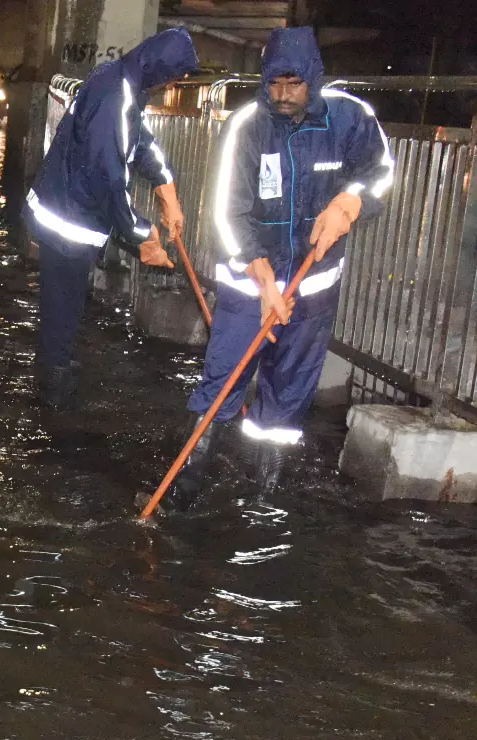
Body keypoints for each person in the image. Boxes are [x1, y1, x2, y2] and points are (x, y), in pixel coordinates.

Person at [163, 26, 394, 510]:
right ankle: (183, 497)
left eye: (294, 84)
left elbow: (380, 172)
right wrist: (263, 279)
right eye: (274, 84)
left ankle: (261, 497)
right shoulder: (248, 125)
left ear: (313, 80)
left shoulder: (351, 118)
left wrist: (350, 202)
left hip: (313, 290)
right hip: (250, 286)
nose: (283, 95)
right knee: (223, 381)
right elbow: (229, 213)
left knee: (288, 392)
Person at [23, 28, 199, 410]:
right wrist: (141, 236)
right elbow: (109, 177)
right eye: (171, 77)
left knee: (63, 309)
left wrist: (165, 189)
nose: (170, 84)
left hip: (68, 211)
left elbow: (140, 141)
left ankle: (54, 383)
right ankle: (54, 405)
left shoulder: (120, 80)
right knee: (62, 310)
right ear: (158, 68)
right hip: (66, 221)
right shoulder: (115, 96)